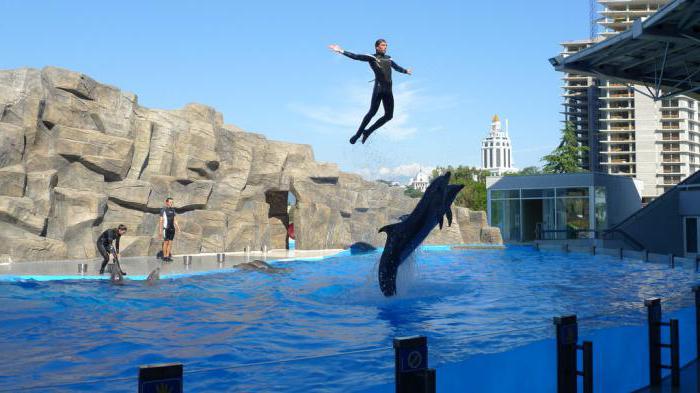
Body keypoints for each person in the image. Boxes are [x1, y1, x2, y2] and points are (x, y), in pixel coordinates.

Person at [328, 39, 412, 144]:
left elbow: (396, 68)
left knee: (389, 116)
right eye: (382, 45)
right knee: (372, 112)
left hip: (388, 90)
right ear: (377, 47)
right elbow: (356, 56)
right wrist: (341, 51)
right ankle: (358, 134)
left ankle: (368, 132)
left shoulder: (389, 59)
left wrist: (405, 71)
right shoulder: (371, 58)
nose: (385, 47)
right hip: (379, 88)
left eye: (386, 45)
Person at [158, 197, 180, 261]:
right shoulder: (163, 210)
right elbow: (161, 220)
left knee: (170, 243)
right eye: (170, 202)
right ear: (166, 202)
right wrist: (160, 230)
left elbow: (175, 220)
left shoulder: (173, 210)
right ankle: (164, 257)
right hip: (166, 229)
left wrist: (178, 228)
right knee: (166, 242)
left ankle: (168, 256)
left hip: (172, 229)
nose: (171, 203)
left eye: (172, 202)